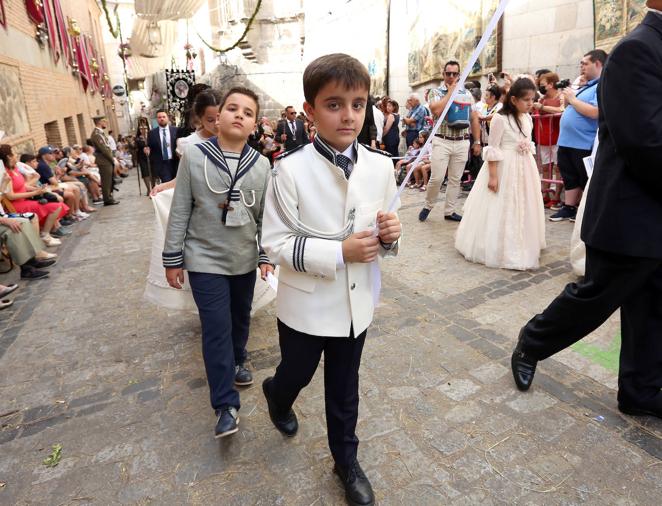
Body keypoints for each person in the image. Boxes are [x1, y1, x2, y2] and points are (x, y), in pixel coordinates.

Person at [261, 53, 402, 506]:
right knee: (296, 374)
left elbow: (384, 227)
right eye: (334, 104)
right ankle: (277, 395)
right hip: (305, 304)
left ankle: (346, 461)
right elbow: (276, 243)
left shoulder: (380, 166)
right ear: (310, 111)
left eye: (358, 104)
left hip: (355, 304)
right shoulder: (289, 169)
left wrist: (391, 234)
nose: (349, 115)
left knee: (345, 388)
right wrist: (338, 251)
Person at [511, 4, 662, 420]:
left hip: (655, 211)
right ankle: (533, 340)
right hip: (629, 214)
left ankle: (641, 390)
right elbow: (645, 142)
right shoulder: (640, 49)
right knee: (596, 297)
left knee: (653, 308)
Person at [162, 87, 274, 438]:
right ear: (217, 117)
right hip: (203, 259)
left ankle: (239, 358)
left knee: (241, 318)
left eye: (248, 112)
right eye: (232, 108)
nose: (239, 115)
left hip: (242, 259)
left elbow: (264, 218)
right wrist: (173, 258)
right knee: (215, 329)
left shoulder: (262, 165)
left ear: (255, 124)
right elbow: (180, 209)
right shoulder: (194, 157)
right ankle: (225, 404)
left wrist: (265, 254)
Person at [455, 78, 546, 270]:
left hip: (524, 165)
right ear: (514, 99)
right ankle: (498, 244)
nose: (531, 104)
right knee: (502, 204)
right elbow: (493, 148)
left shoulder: (527, 118)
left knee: (524, 202)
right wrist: (493, 176)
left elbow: (528, 141)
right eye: (526, 100)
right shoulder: (500, 118)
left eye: (532, 99)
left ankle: (525, 240)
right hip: (505, 166)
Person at [144, 90, 223, 310]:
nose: (217, 124)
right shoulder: (189, 144)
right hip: (204, 210)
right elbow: (183, 177)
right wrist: (163, 186)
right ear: (199, 118)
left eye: (220, 117)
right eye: (210, 119)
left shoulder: (233, 135)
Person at [419, 60, 482, 223]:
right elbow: (436, 110)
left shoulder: (467, 95)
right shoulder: (436, 92)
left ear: (459, 74)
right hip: (442, 140)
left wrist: (477, 141)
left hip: (462, 141)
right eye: (448, 73)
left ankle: (450, 211)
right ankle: (428, 204)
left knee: (455, 178)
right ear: (443, 74)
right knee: (437, 177)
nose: (451, 76)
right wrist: (451, 91)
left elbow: (474, 118)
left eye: (455, 74)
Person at [549, 49, 607, 222]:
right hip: (568, 141)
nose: (581, 67)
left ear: (597, 64)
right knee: (569, 175)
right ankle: (569, 207)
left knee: (584, 176)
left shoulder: (602, 85)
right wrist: (571, 96)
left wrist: (573, 99)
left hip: (584, 142)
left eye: (585, 63)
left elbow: (596, 112)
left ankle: (584, 209)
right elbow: (568, 107)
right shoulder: (585, 85)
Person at [0, 145, 68, 246]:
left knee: (56, 203)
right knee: (55, 206)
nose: (16, 156)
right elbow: (10, 196)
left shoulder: (15, 169)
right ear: (9, 157)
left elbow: (23, 186)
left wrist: (39, 189)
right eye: (13, 153)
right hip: (16, 205)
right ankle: (44, 235)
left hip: (25, 200)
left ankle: (46, 234)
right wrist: (35, 193)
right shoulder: (6, 173)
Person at [533, 72, 564, 209]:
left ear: (551, 84)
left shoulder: (561, 96)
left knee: (558, 168)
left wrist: (543, 108)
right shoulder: (542, 99)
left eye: (542, 84)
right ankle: (544, 194)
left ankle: (556, 197)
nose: (540, 87)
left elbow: (562, 109)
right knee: (545, 167)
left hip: (557, 138)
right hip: (544, 138)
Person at [88, 115, 119, 205]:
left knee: (109, 179)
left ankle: (109, 196)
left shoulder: (100, 133)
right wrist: (112, 159)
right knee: (106, 180)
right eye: (104, 121)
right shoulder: (97, 134)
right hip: (104, 160)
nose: (106, 123)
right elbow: (104, 149)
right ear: (99, 122)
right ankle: (107, 199)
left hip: (106, 159)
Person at [146, 109, 180, 183]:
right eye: (159, 117)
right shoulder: (152, 133)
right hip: (162, 164)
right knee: (167, 183)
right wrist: (147, 150)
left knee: (177, 184)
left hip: (175, 162)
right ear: (157, 119)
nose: (162, 119)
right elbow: (149, 147)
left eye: (164, 117)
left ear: (167, 118)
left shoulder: (176, 130)